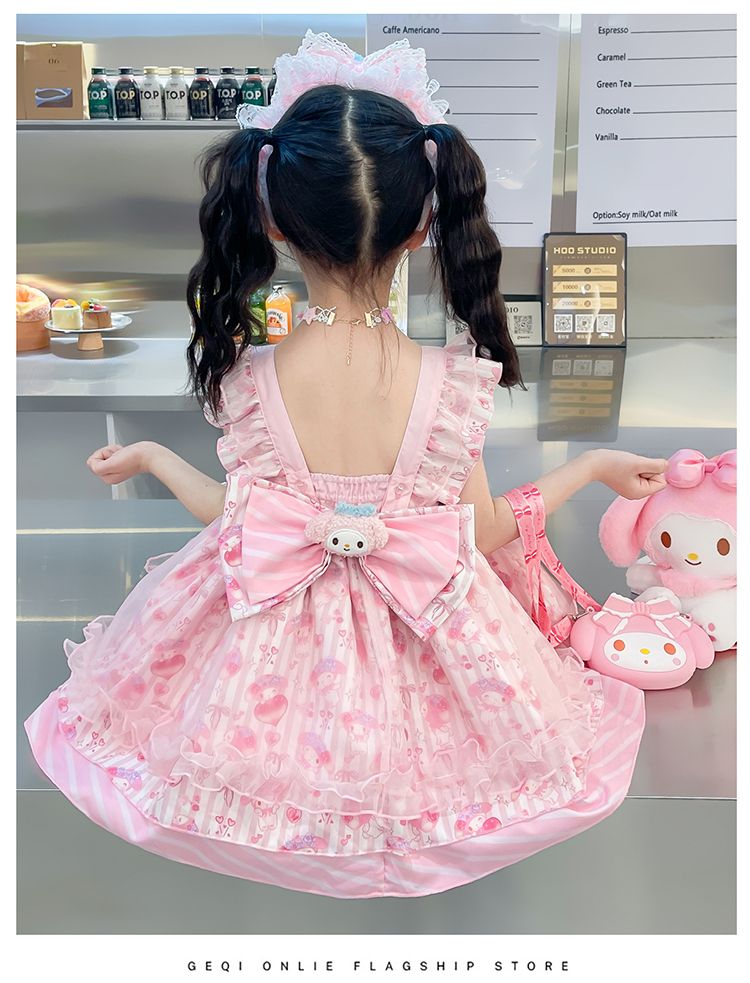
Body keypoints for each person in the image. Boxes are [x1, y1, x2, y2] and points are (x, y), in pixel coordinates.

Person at [24, 32, 666, 899]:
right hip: (437, 656)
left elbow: (239, 522)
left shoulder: (247, 380)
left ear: (273, 222)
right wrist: (587, 467)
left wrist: (153, 459)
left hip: (254, 694)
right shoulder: (451, 384)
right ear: (424, 226)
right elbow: (480, 534)